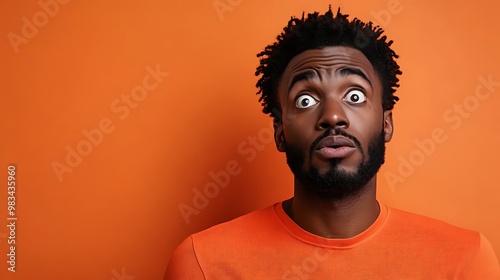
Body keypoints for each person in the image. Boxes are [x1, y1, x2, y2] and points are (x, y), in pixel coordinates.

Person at [164, 7, 500, 279]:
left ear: (386, 123)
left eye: (354, 95)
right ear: (280, 132)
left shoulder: (466, 260)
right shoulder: (203, 264)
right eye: (306, 100)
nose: (333, 116)